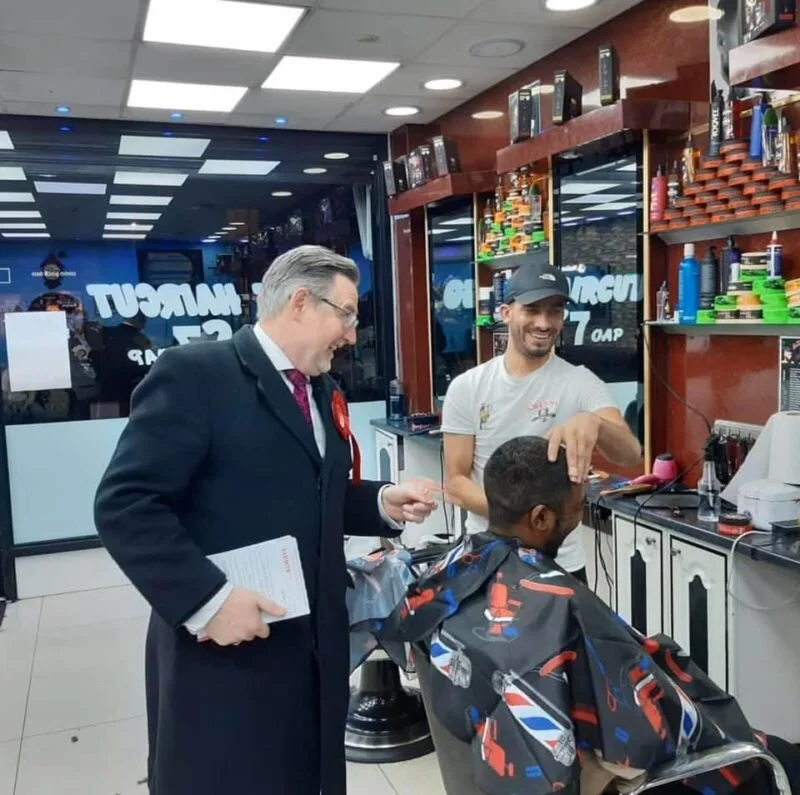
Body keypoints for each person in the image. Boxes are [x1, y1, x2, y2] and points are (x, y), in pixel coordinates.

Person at [94, 245, 439, 795]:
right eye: (347, 315)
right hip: (227, 648)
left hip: (312, 646)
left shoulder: (321, 389)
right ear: (300, 302)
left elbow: (311, 490)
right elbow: (126, 502)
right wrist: (208, 600)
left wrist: (380, 502)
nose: (352, 335)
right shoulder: (197, 375)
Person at [363, 436, 800, 795]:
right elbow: (649, 737)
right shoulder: (561, 606)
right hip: (642, 780)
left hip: (492, 768)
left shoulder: (447, 575)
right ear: (540, 518)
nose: (578, 516)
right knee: (783, 756)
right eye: (576, 508)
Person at [441, 261, 642, 582]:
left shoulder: (580, 383)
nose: (544, 323)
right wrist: (525, 524)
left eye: (554, 311)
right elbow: (456, 482)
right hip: (488, 559)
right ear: (506, 313)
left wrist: (596, 423)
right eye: (532, 310)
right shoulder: (468, 387)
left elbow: (631, 455)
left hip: (561, 564)